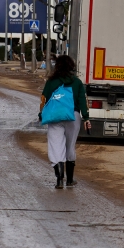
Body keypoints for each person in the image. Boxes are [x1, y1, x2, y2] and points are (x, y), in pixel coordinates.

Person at [39, 55, 91, 188]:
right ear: (71, 66)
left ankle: (59, 179)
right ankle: (70, 180)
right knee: (70, 146)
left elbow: (44, 99)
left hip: (55, 116)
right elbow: (82, 101)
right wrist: (86, 117)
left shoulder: (51, 82)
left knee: (56, 145)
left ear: (57, 66)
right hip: (73, 116)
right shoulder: (77, 82)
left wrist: (41, 114)